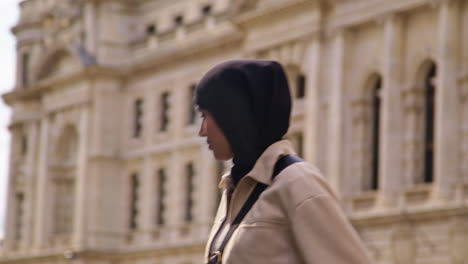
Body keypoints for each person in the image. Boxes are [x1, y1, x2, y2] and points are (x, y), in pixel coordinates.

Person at [195, 59, 372, 264]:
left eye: (206, 116)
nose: (202, 131)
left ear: (233, 115)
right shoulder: (234, 188)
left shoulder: (298, 182)